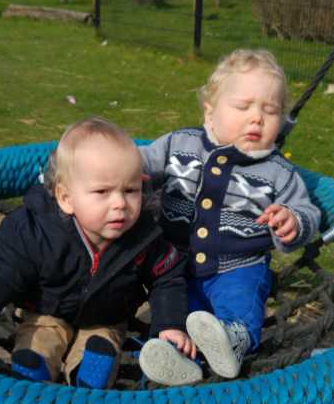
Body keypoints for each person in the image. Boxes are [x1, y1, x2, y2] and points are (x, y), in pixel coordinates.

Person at [0, 117, 197, 388]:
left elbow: (167, 278)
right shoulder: (35, 234)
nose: (120, 203)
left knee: (103, 342)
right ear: (66, 199)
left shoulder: (144, 236)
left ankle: (87, 373)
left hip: (106, 318)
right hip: (44, 311)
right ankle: (35, 368)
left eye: (130, 190)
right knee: (41, 337)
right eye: (102, 191)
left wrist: (169, 324)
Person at [137, 49, 321, 383]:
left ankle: (234, 341)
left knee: (241, 303)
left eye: (270, 110)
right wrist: (118, 170)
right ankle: (177, 355)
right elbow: (140, 161)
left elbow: (307, 211)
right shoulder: (179, 144)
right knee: (177, 313)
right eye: (243, 107)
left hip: (240, 266)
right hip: (174, 266)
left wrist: (292, 221)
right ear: (210, 112)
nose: (257, 118)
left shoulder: (278, 172)